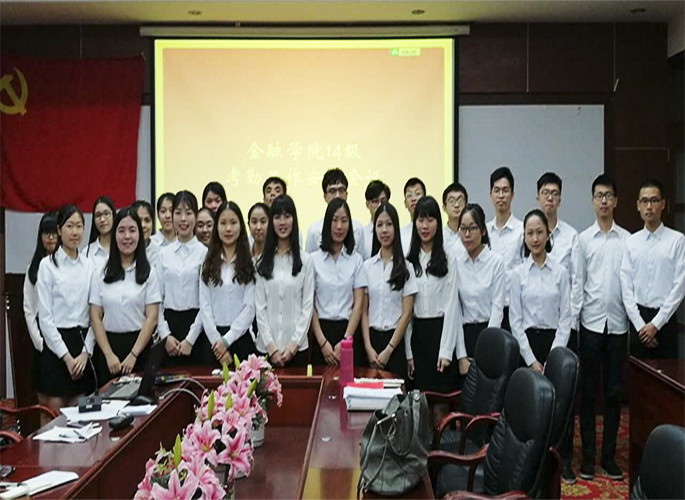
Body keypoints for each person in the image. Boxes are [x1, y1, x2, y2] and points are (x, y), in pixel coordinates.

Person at [509, 209, 573, 481]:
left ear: (548, 235)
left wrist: (552, 356)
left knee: (561, 406)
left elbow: (566, 317)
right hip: (527, 346)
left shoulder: (560, 272)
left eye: (539, 232)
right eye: (530, 233)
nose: (535, 238)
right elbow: (515, 321)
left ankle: (562, 460)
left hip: (556, 344)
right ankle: (531, 463)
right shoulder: (517, 274)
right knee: (532, 408)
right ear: (524, 238)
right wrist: (532, 360)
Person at [577, 174, 630, 482]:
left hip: (618, 325)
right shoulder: (583, 240)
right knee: (587, 393)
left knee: (613, 393)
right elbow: (579, 284)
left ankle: (608, 457)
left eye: (609, 195)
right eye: (599, 196)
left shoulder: (627, 240)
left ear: (616, 200)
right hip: (591, 324)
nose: (604, 201)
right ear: (593, 201)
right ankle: (588, 458)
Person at [535, 171, 582, 483]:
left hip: (563, 330)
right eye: (545, 193)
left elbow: (576, 286)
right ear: (537, 197)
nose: (550, 198)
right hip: (535, 330)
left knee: (564, 399)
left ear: (560, 199)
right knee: (538, 398)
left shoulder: (571, 237)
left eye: (554, 193)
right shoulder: (531, 232)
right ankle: (538, 456)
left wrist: (567, 331)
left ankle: (563, 457)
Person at [89, 208, 160, 385]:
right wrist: (108, 354)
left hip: (139, 350)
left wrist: (133, 355)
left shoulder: (149, 273)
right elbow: (95, 316)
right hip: (108, 351)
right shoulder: (101, 273)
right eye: (121, 231)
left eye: (132, 230)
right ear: (114, 235)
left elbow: (151, 318)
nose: (127, 236)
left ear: (139, 234)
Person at [36, 204, 95, 413]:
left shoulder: (90, 266)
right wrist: (67, 357)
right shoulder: (47, 266)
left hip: (82, 344)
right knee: (53, 413)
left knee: (81, 413)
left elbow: (96, 314)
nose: (75, 232)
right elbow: (45, 319)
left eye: (79, 226)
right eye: (69, 226)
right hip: (56, 347)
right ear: (60, 230)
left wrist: (86, 353)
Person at [405, 196, 465, 397]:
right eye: (421, 220)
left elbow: (452, 307)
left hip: (441, 334)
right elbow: (406, 313)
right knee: (418, 404)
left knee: (441, 404)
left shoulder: (448, 259)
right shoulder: (409, 262)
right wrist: (408, 353)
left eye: (430, 220)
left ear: (438, 223)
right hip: (418, 337)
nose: (425, 226)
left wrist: (446, 351)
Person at [621, 178, 685, 360]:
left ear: (663, 204)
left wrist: (655, 325)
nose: (649, 206)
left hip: (665, 320)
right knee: (637, 375)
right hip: (638, 321)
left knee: (668, 375)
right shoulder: (631, 242)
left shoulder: (677, 240)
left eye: (654, 200)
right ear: (638, 206)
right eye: (644, 201)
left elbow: (679, 286)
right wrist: (641, 326)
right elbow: (626, 287)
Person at [255, 194, 314, 367]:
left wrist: (293, 345)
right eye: (277, 217)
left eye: (287, 216)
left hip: (297, 350)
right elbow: (260, 307)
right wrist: (271, 347)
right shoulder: (261, 262)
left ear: (294, 220)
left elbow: (307, 306)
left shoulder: (305, 261)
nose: (282, 222)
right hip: (266, 350)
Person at [362, 202, 417, 381]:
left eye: (389, 224)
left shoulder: (406, 267)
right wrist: (368, 347)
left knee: (395, 396)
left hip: (395, 343)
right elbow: (363, 311)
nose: (384, 230)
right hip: (371, 342)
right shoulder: (367, 267)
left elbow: (406, 314)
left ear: (396, 228)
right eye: (379, 225)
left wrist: (389, 349)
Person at [310, 198, 367, 366]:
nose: (339, 226)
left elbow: (358, 304)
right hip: (321, 334)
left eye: (344, 221)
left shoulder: (356, 260)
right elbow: (309, 304)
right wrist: (322, 343)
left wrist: (345, 341)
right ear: (327, 223)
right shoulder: (313, 260)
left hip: (348, 332)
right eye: (334, 220)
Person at [198, 201, 256, 366]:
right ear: (216, 227)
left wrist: (227, 340)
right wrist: (218, 343)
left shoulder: (250, 264)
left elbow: (249, 308)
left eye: (233, 223)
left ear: (241, 226)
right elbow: (205, 306)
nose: (228, 228)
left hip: (241, 339)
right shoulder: (207, 264)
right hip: (213, 343)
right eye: (223, 223)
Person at [157, 191, 208, 366]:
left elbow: (206, 302)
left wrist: (190, 339)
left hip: (197, 328)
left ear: (196, 216)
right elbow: (157, 300)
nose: (183, 219)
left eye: (189, 213)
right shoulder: (163, 254)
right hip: (169, 328)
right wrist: (165, 335)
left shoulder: (205, 254)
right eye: (178, 213)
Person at [456, 203, 505, 357]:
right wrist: (461, 355)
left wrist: (488, 343)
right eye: (463, 229)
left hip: (490, 332)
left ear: (483, 230)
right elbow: (456, 311)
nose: (467, 234)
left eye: (472, 228)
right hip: (465, 334)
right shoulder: (456, 264)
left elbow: (497, 308)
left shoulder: (496, 262)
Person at [24, 211, 58, 414]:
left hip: (62, 335)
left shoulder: (67, 264)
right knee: (45, 405)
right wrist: (39, 342)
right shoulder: (33, 268)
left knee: (61, 404)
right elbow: (29, 309)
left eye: (54, 232)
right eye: (46, 233)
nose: (51, 238)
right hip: (42, 342)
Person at [486, 167, 523, 331]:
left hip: (514, 308)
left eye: (505, 190)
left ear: (512, 195)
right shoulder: (483, 232)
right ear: (491, 195)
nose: (501, 195)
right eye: (497, 190)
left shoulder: (522, 230)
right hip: (489, 309)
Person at [305, 168, 365, 255]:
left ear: (346, 194)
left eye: (341, 190)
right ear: (325, 196)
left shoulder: (357, 229)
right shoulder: (314, 230)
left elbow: (362, 259)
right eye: (332, 191)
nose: (337, 195)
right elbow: (309, 261)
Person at [362, 180, 391, 259]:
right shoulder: (362, 234)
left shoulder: (394, 232)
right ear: (367, 204)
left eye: (383, 201)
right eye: (375, 201)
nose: (379, 205)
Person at [86, 195, 115, 268]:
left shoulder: (124, 248)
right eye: (98, 215)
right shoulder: (87, 253)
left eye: (106, 214)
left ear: (113, 215)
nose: (102, 219)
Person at [131, 200, 160, 269]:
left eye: (147, 220)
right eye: (139, 221)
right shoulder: (124, 252)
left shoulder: (159, 253)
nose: (143, 225)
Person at [441, 182, 468, 257]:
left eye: (460, 201)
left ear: (466, 206)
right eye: (452, 201)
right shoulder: (440, 236)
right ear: (444, 207)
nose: (456, 205)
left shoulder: (471, 235)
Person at [400, 178, 426, 255]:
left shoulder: (433, 229)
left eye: (418, 194)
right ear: (405, 203)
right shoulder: (400, 234)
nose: (413, 199)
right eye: (409, 195)